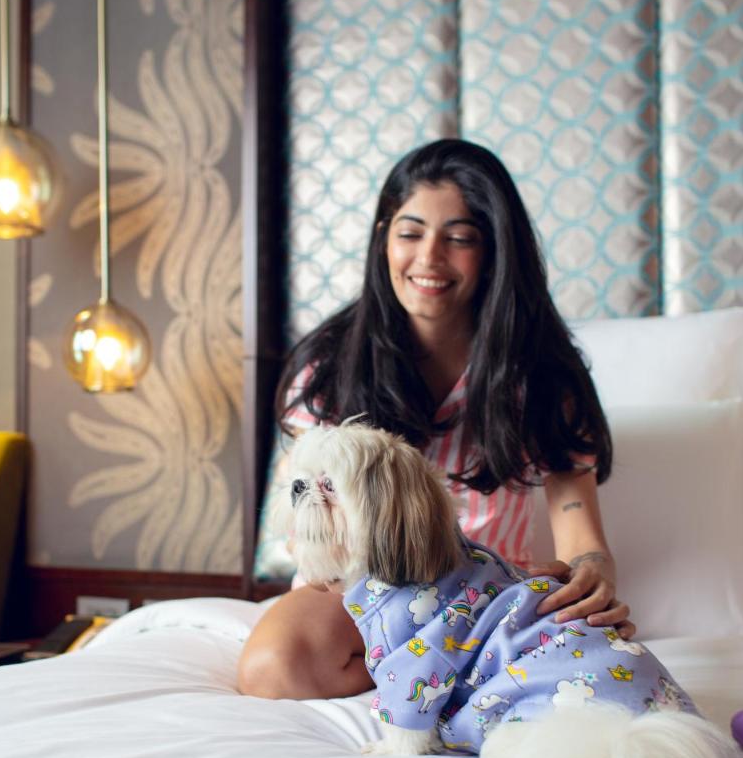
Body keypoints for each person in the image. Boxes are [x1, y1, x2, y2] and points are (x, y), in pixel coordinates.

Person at [237, 138, 635, 701]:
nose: (429, 258)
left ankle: (444, 680)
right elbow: (309, 533)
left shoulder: (545, 375)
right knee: (272, 667)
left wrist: (591, 575)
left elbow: (581, 539)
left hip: (489, 599)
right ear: (383, 239)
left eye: (460, 238)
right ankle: (432, 682)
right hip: (357, 587)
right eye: (411, 232)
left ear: (494, 250)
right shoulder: (330, 365)